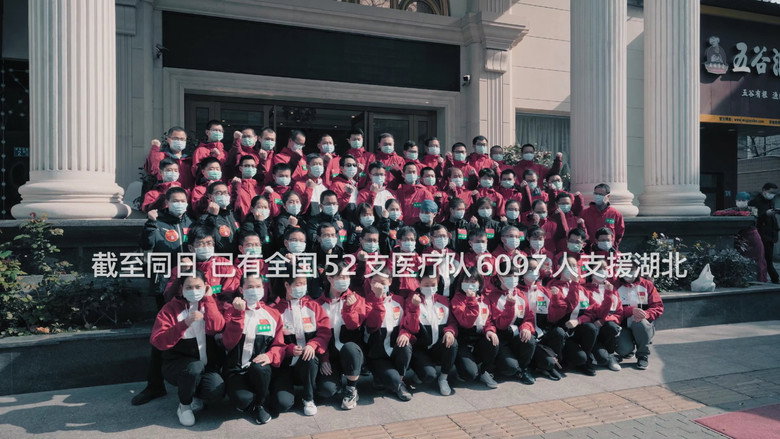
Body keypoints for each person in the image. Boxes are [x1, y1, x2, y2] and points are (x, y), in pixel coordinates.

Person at [132, 186, 195, 406]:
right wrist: (150, 224)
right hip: (166, 287)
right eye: (175, 200)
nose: (180, 204)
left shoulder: (191, 222)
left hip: (193, 286)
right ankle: (155, 385)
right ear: (166, 202)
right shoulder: (157, 222)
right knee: (163, 333)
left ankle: (194, 384)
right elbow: (146, 246)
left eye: (183, 200)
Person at [150, 271, 226, 426]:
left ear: (206, 287)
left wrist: (209, 299)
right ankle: (184, 406)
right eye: (189, 287)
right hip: (178, 365)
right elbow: (158, 341)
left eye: (198, 287)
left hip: (206, 366)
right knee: (194, 368)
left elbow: (217, 327)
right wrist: (184, 323)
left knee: (216, 390)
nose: (194, 291)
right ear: (181, 289)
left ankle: (194, 394)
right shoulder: (170, 309)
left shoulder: (211, 303)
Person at [222, 274, 285, 424]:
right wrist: (238, 314)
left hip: (260, 369)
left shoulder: (272, 313)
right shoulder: (230, 311)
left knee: (261, 371)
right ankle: (253, 398)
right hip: (237, 369)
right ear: (241, 289)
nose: (254, 290)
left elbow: (279, 344)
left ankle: (260, 404)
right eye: (250, 287)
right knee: (242, 401)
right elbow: (228, 343)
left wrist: (270, 355)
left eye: (258, 286)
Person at [272, 273, 331, 416]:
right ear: (287, 285)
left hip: (308, 364)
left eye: (304, 284)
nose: (302, 287)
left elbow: (324, 333)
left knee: (310, 358)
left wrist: (313, 345)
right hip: (285, 365)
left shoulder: (314, 306)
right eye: (298, 284)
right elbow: (273, 342)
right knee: (282, 404)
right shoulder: (275, 310)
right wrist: (289, 349)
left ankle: (308, 398)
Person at [315, 261, 367, 410]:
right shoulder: (318, 304)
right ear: (330, 278)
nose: (345, 280)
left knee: (350, 348)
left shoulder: (357, 299)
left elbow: (354, 326)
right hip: (330, 355)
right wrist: (324, 358)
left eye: (347, 277)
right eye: (341, 277)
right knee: (326, 391)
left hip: (351, 352)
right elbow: (317, 335)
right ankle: (336, 382)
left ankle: (351, 388)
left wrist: (348, 308)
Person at [402, 265, 458, 396]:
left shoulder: (443, 300)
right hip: (420, 348)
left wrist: (450, 331)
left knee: (453, 343)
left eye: (433, 284)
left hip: (437, 346)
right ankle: (420, 372)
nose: (430, 287)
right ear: (419, 282)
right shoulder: (411, 300)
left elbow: (452, 322)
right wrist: (414, 307)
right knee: (428, 375)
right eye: (426, 285)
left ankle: (443, 378)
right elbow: (411, 328)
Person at [363, 267, 414, 401]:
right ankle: (387, 379)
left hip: (394, 350)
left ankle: (399, 381)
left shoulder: (399, 300)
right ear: (370, 283)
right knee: (390, 378)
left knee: (406, 345)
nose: (379, 286)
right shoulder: (366, 302)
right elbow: (372, 325)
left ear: (390, 282)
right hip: (377, 354)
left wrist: (405, 333)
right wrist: (378, 299)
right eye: (375, 282)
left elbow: (408, 323)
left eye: (383, 282)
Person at [450, 267, 500, 389]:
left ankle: (484, 371)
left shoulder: (485, 299)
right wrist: (471, 299)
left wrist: (490, 330)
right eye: (466, 281)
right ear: (461, 282)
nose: (469, 284)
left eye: (473, 281)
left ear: (480, 283)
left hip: (479, 338)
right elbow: (466, 323)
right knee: (470, 374)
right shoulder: (457, 300)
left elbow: (488, 321)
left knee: (493, 341)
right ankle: (463, 367)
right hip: (463, 339)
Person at [488, 260, 536, 385]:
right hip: (501, 339)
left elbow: (529, 318)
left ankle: (523, 369)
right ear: (500, 277)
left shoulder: (521, 294)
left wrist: (526, 327)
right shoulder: (493, 296)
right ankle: (502, 366)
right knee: (510, 368)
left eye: (515, 276)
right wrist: (509, 305)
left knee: (530, 339)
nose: (513, 279)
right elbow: (501, 325)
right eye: (509, 276)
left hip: (516, 336)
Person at [520, 258, 567, 381]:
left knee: (559, 332)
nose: (533, 272)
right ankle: (524, 368)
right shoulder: (517, 291)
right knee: (528, 341)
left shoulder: (544, 291)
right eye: (530, 269)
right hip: (524, 335)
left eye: (535, 268)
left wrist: (556, 298)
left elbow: (554, 316)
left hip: (541, 334)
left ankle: (550, 365)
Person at [549, 255, 598, 376]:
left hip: (575, 331)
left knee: (591, 328)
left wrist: (579, 321)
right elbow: (569, 306)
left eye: (574, 266)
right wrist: (574, 284)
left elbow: (591, 312)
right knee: (575, 355)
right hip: (560, 332)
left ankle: (586, 359)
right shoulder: (554, 287)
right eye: (568, 266)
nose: (572, 268)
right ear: (559, 268)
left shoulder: (582, 289)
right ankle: (559, 362)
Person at [615, 257, 664, 370]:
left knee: (641, 324)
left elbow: (658, 306)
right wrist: (630, 311)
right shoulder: (615, 286)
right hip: (623, 325)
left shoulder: (647, 285)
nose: (627, 271)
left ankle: (643, 355)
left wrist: (646, 314)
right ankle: (629, 350)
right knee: (623, 350)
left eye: (631, 268)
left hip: (641, 323)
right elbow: (610, 309)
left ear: (638, 269)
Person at [581, 261, 622, 371]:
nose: (602, 272)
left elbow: (619, 313)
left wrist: (604, 320)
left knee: (612, 326)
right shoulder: (585, 290)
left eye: (604, 269)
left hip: (606, 329)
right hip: (593, 330)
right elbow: (592, 312)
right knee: (602, 358)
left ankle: (611, 355)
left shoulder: (613, 290)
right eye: (599, 269)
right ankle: (594, 353)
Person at [196, 181, 239, 253]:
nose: (223, 195)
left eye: (225, 193)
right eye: (219, 193)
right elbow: (203, 237)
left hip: (238, 257)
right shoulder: (204, 218)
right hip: (220, 258)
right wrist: (212, 216)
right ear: (210, 196)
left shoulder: (233, 215)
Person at [748, 183, 779, 283]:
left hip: (770, 234)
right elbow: (754, 219)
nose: (772, 195)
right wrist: (765, 214)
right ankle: (774, 278)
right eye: (771, 192)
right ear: (764, 190)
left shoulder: (770, 201)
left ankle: (770, 277)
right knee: (766, 258)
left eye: (774, 193)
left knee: (767, 258)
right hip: (762, 234)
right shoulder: (755, 202)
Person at [580, 183, 625, 249]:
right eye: (596, 194)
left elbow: (619, 233)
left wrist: (613, 245)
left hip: (608, 250)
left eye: (601, 194)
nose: (597, 196)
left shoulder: (615, 214)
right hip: (589, 250)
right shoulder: (585, 213)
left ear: (608, 196)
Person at [230, 155, 261, 222]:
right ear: (240, 168)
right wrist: (235, 187)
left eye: (253, 166)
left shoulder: (259, 188)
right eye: (247, 166)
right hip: (242, 223)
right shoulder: (234, 186)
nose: (250, 168)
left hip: (258, 222)